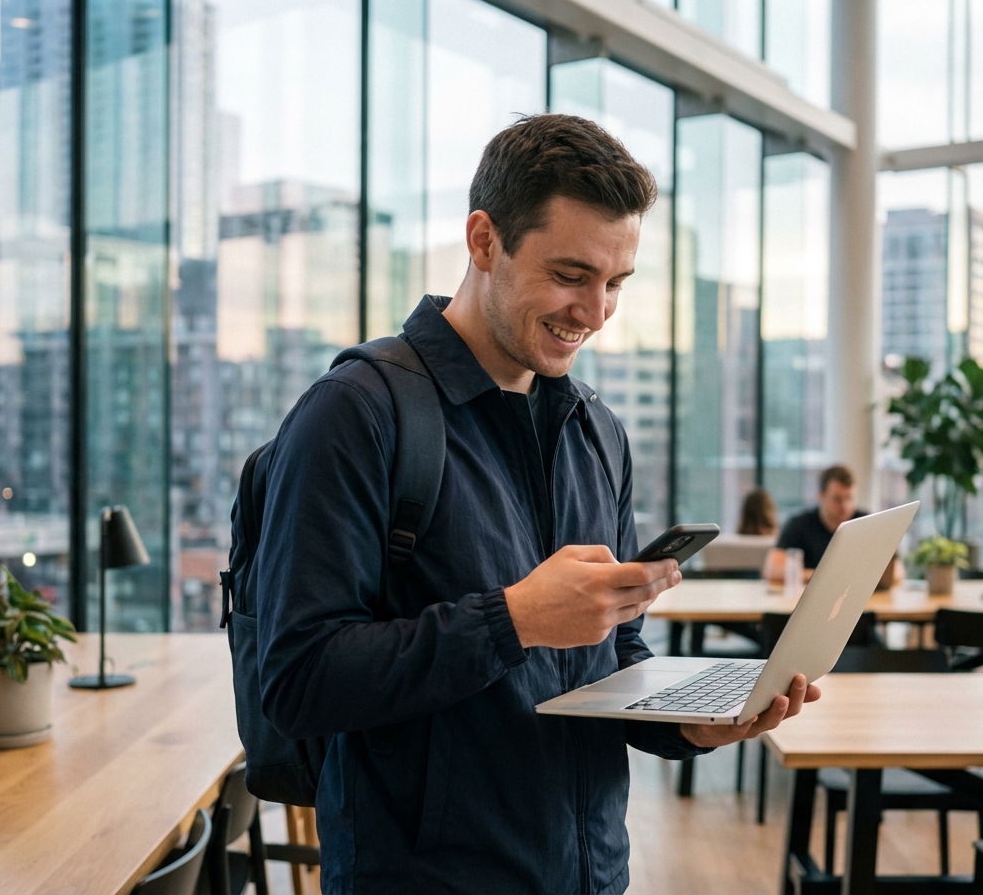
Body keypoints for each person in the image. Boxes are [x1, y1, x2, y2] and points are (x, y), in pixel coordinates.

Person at [255, 114, 818, 894]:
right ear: (484, 241)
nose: (595, 311)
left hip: (591, 873)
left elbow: (613, 660)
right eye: (570, 274)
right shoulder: (355, 413)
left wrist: (688, 724)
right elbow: (297, 681)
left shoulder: (598, 431)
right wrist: (513, 619)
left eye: (615, 283)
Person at [766, 464, 866, 584]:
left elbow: (894, 572)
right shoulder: (800, 524)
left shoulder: (866, 522)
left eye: (849, 498)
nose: (845, 506)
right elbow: (772, 569)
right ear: (821, 496)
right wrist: (823, 578)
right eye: (837, 499)